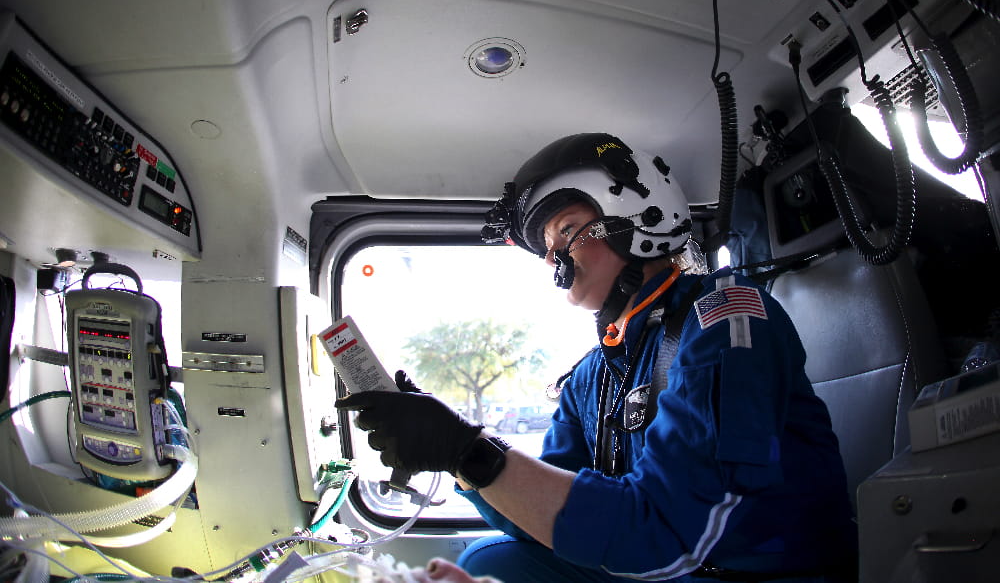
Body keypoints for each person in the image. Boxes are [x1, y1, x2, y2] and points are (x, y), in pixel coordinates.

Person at [336, 133, 858, 582]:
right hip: (667, 562)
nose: (552, 258)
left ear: (640, 220)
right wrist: (453, 450)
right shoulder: (592, 374)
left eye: (565, 231)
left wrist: (464, 449)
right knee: (491, 561)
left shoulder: (727, 321)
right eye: (546, 245)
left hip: (745, 571)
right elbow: (541, 511)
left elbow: (673, 535)